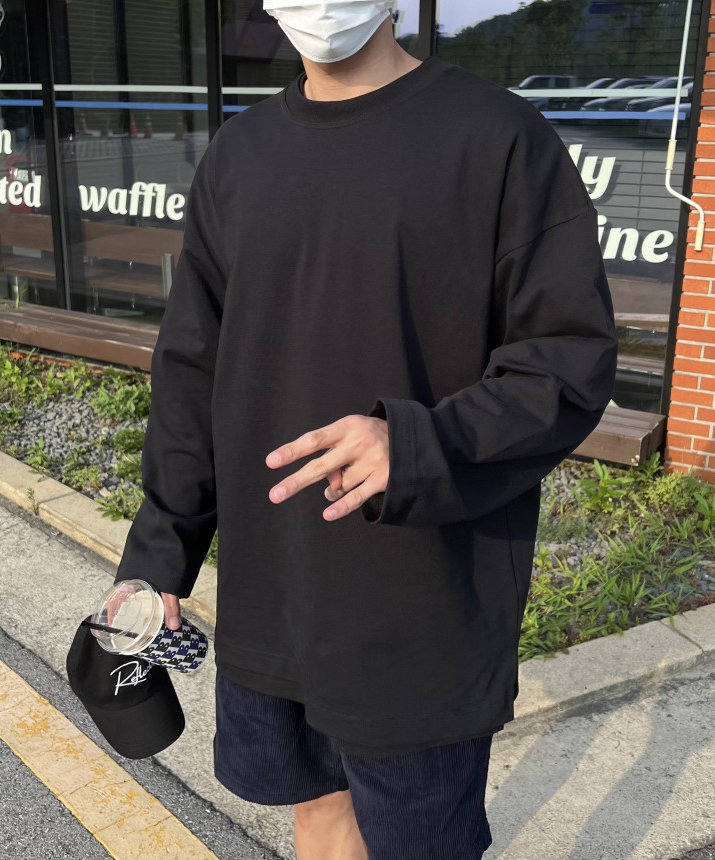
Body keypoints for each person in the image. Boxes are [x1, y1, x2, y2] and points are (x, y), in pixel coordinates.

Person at [115, 2, 617, 858]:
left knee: (422, 844)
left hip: (420, 600)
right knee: (316, 809)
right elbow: (194, 369)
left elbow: (567, 362)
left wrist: (415, 445)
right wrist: (159, 555)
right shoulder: (239, 156)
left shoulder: (498, 138)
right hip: (274, 589)